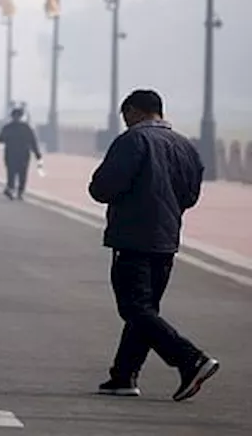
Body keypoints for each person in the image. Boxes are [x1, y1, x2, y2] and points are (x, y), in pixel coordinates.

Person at [89, 89, 219, 401]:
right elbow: (191, 195)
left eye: (126, 117)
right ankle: (123, 375)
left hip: (133, 236)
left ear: (133, 111)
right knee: (145, 309)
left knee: (134, 307)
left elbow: (104, 187)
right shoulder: (185, 146)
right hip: (166, 237)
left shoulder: (133, 140)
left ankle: (190, 359)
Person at [0, 106, 41, 200]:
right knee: (22, 174)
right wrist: (37, 153)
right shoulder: (26, 128)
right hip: (23, 154)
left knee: (11, 173)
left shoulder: (7, 127)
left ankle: (11, 189)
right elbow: (33, 141)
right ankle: (19, 192)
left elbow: (0, 139)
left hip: (11, 154)